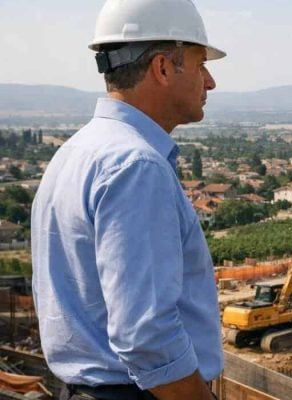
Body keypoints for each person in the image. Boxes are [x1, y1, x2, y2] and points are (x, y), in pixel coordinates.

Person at [31, 1, 225, 399]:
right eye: (200, 63)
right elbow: (147, 335)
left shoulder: (76, 152)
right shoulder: (136, 166)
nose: (210, 82)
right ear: (163, 68)